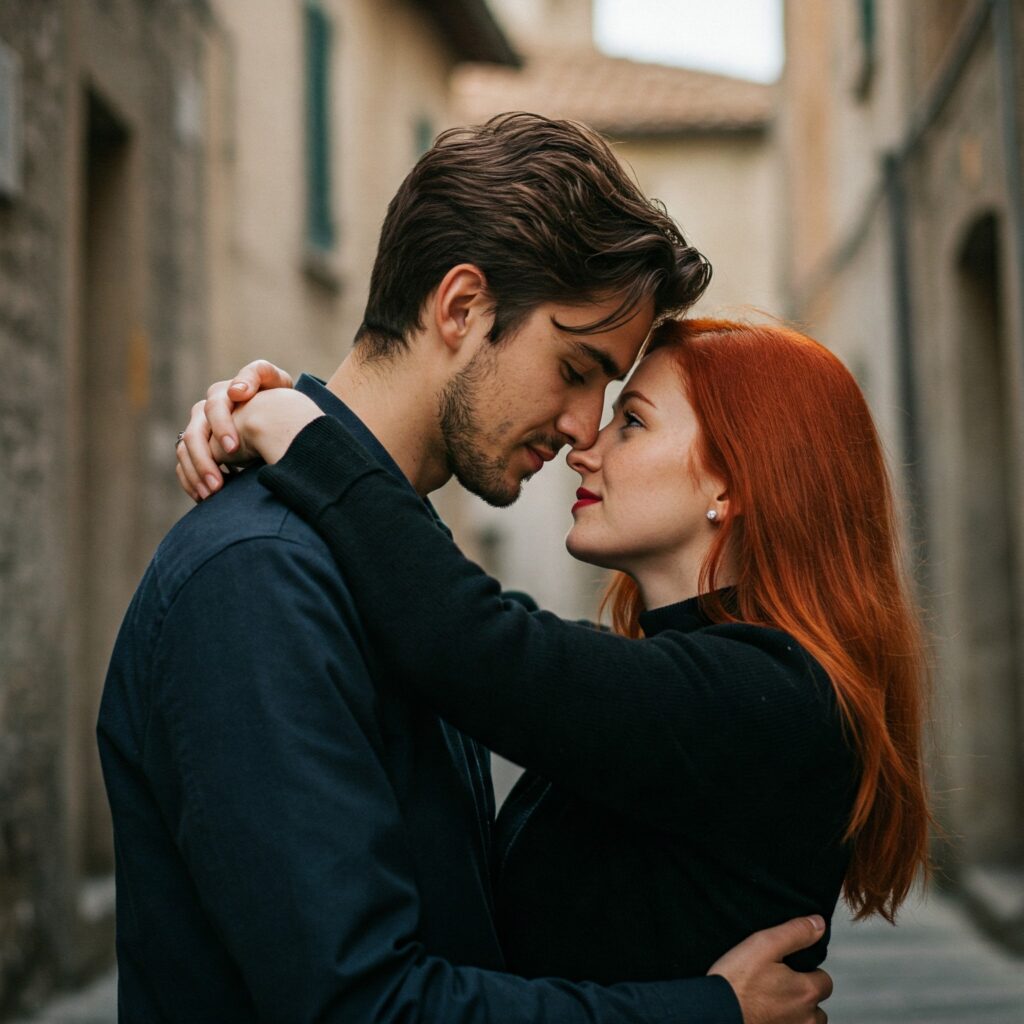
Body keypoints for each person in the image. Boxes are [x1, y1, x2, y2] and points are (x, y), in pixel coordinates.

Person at [101, 112, 831, 1024]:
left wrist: (302, 431)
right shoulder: (262, 579)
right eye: (575, 368)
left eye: (619, 405)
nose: (580, 431)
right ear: (460, 308)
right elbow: (359, 1006)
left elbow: (491, 654)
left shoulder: (401, 576)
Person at [180, 318, 931, 995]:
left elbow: (474, 643)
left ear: (731, 483)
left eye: (631, 423)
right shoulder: (689, 682)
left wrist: (308, 437)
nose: (586, 449)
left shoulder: (770, 698)